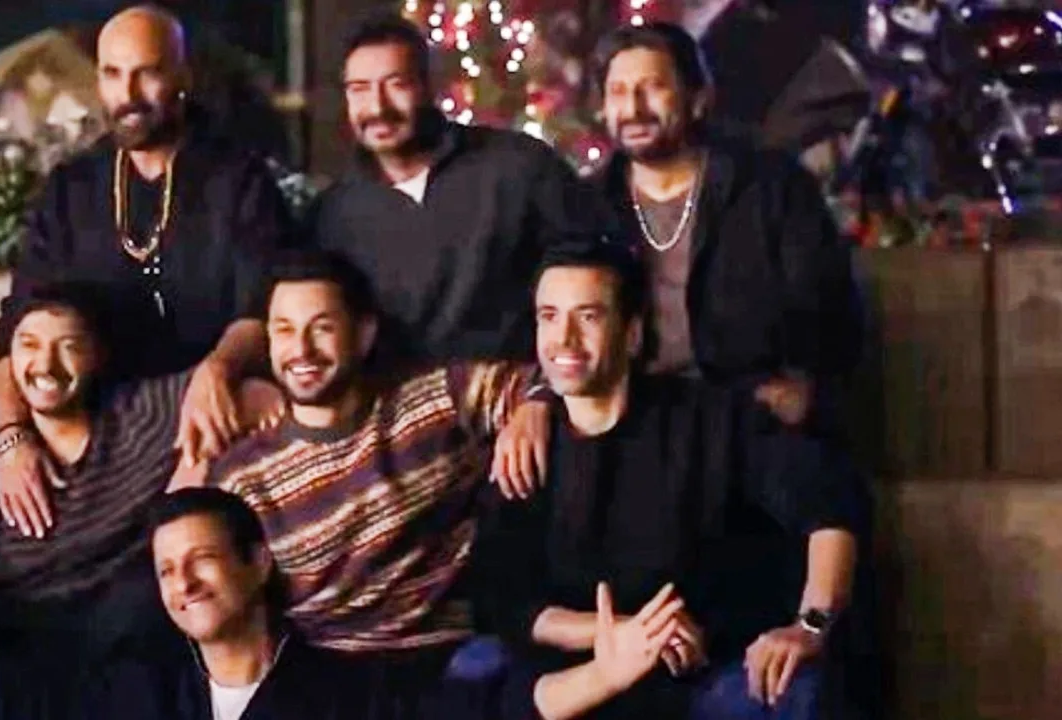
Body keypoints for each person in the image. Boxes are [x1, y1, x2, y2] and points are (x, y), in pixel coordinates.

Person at [0, 4, 293, 561]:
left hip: (180, 408)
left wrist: (220, 369)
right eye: (113, 74)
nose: (129, 94)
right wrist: (11, 434)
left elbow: (264, 301)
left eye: (147, 73)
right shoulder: (73, 186)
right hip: (84, 404)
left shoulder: (236, 178)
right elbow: (18, 323)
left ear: (182, 76)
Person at [0, 488, 689, 720]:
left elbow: (491, 713)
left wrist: (604, 676)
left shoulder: (346, 690)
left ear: (259, 565)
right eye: (166, 570)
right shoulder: (136, 687)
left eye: (202, 561)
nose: (181, 582)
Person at [474, 242, 869, 719]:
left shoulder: (711, 419)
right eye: (549, 316)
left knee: (794, 689)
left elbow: (830, 500)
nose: (564, 339)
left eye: (589, 316)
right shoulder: (524, 446)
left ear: (632, 333)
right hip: (582, 672)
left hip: (709, 670)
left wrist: (810, 625)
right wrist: (624, 633)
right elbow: (508, 600)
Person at [0, 283, 273, 720]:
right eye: (29, 345)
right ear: (9, 360)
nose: (45, 365)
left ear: (96, 356)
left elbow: (251, 397)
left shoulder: (142, 412)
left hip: (114, 643)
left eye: (68, 347)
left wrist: (203, 455)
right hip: (8, 637)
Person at [206, 249, 538, 683]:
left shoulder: (432, 401)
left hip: (443, 658)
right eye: (284, 330)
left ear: (363, 335)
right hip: (324, 678)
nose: (301, 349)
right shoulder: (239, 477)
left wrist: (533, 408)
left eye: (322, 328)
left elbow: (546, 377)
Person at [588, 22, 863, 429]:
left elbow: (828, 305)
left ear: (698, 99)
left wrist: (803, 384)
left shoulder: (771, 186)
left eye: (653, 88)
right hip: (633, 412)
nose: (634, 108)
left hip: (749, 409)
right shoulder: (588, 203)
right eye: (618, 92)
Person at [309, 12, 602, 365]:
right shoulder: (332, 215)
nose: (377, 107)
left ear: (428, 87)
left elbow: (595, 277)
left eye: (396, 85)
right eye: (359, 89)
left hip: (519, 390)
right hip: (393, 398)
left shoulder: (519, 168)